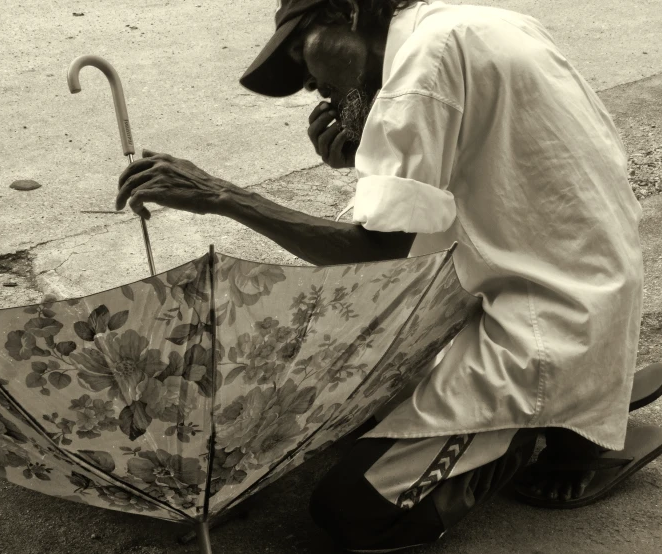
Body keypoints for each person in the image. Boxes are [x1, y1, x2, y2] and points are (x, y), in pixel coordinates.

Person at [115, 0, 662, 550]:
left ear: (348, 14)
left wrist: (223, 196)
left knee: (352, 514)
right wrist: (363, 156)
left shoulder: (420, 71)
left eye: (304, 58)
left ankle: (539, 429)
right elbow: (461, 183)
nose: (311, 86)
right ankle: (576, 408)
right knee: (344, 388)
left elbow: (376, 255)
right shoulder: (465, 25)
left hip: (544, 329)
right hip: (578, 283)